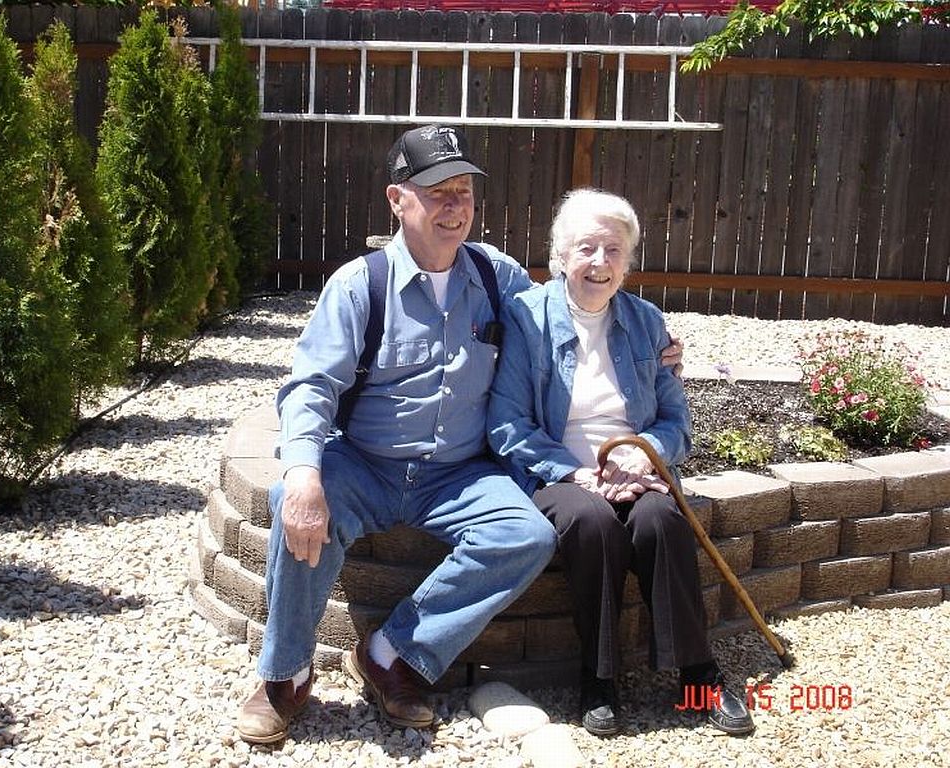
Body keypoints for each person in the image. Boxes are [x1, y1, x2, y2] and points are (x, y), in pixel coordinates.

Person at [236, 124, 561, 745]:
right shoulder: (360, 284)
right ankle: (286, 674)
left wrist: (646, 346)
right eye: (437, 192)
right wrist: (303, 472)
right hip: (365, 464)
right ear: (397, 199)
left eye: (463, 191)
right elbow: (311, 386)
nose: (453, 206)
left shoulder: (497, 277)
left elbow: (565, 323)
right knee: (295, 507)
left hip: (459, 473)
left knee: (526, 535)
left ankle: (389, 654)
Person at [486, 188, 753, 738]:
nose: (599, 262)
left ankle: (698, 673)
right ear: (561, 255)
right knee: (592, 523)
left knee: (661, 520)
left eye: (613, 250)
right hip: (557, 471)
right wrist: (576, 472)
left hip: (634, 468)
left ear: (627, 263)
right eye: (586, 248)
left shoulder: (646, 322)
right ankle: (599, 678)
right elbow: (507, 424)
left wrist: (642, 452)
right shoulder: (526, 319)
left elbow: (676, 420)